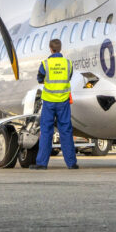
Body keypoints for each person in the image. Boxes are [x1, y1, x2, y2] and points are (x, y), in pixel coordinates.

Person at [34, 39, 77, 169]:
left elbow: (40, 79)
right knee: (66, 131)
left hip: (49, 102)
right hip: (63, 101)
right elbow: (69, 77)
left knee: (46, 131)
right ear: (60, 48)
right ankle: (71, 163)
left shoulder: (45, 64)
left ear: (50, 49)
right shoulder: (68, 63)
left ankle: (42, 163)